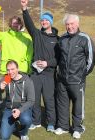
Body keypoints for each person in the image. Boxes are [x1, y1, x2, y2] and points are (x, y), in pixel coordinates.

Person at [54, 14, 95, 139]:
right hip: (62, 80)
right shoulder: (62, 39)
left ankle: (77, 128)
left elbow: (91, 60)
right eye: (67, 24)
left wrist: (82, 75)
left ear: (77, 24)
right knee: (62, 104)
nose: (69, 26)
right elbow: (58, 58)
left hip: (77, 80)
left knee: (78, 105)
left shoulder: (85, 38)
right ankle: (63, 126)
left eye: (72, 24)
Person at [21, 0, 59, 132]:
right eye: (42, 20)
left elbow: (58, 59)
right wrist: (25, 9)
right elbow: (29, 24)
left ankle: (50, 123)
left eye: (46, 20)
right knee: (35, 99)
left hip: (49, 74)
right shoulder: (37, 34)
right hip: (36, 74)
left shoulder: (57, 39)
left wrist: (47, 63)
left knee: (49, 100)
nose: (44, 22)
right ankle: (36, 121)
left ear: (51, 22)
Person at [0, 60, 35, 140]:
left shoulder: (27, 81)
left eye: (12, 69)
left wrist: (20, 110)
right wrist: (0, 89)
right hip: (9, 108)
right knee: (4, 137)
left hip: (23, 108)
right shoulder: (7, 78)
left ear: (17, 69)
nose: (10, 72)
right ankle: (13, 126)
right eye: (8, 70)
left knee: (26, 120)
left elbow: (31, 100)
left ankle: (23, 133)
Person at [0, 10, 33, 75]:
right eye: (13, 23)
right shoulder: (4, 36)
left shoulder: (27, 38)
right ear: (10, 24)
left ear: (21, 24)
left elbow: (29, 55)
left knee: (21, 85)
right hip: (7, 71)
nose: (15, 25)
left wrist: (30, 70)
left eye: (17, 23)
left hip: (21, 71)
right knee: (6, 85)